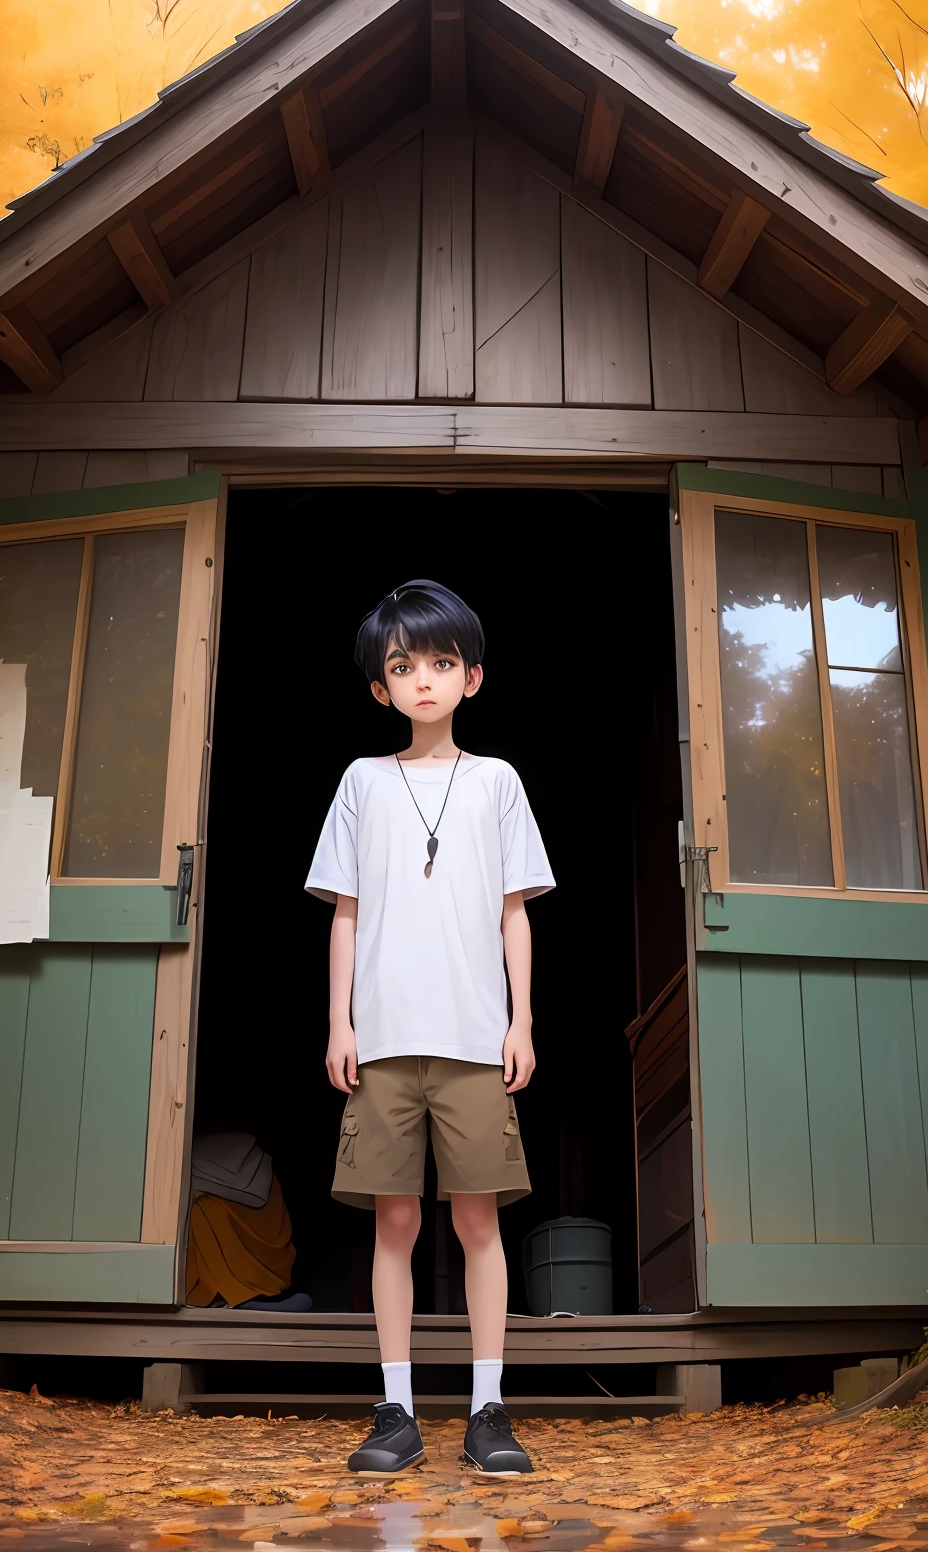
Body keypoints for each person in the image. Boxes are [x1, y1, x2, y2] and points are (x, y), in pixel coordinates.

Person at [306, 580, 554, 1476]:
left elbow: (513, 911)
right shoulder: (361, 782)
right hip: (379, 1041)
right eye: (403, 666)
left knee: (481, 1224)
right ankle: (397, 1411)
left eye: (441, 663)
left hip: (476, 1037)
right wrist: (340, 1024)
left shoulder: (498, 782)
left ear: (472, 677)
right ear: (380, 686)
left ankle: (489, 1409)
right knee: (396, 1224)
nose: (422, 681)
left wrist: (522, 1019)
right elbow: (345, 913)